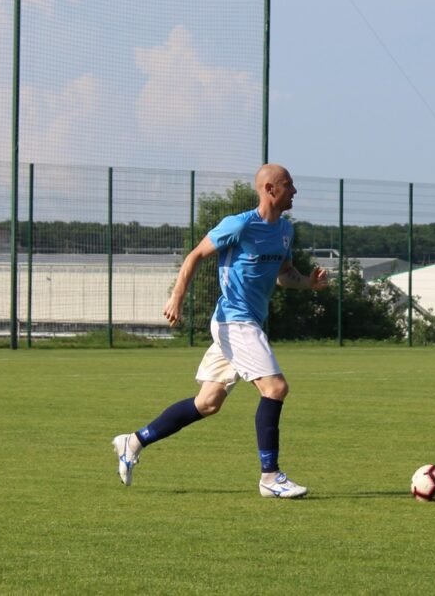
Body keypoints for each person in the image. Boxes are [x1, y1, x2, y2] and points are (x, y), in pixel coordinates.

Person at [111, 164, 328, 498]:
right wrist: (177, 297)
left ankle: (134, 441)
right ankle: (270, 477)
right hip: (234, 321)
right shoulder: (239, 224)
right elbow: (196, 255)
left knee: (208, 402)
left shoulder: (285, 229)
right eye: (289, 185)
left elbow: (284, 275)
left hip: (247, 322)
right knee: (275, 388)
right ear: (270, 189)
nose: (294, 191)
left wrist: (308, 284)